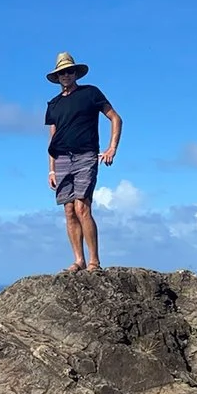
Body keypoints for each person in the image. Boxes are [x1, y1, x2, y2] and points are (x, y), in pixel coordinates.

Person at [43, 51, 122, 272]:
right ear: (57, 77)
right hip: (61, 158)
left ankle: (94, 261)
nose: (66, 75)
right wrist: (51, 170)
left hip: (86, 155)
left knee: (82, 206)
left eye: (69, 71)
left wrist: (111, 148)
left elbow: (115, 118)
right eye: (62, 73)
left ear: (76, 73)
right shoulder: (54, 104)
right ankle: (79, 260)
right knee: (68, 210)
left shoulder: (90, 93)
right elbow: (53, 136)